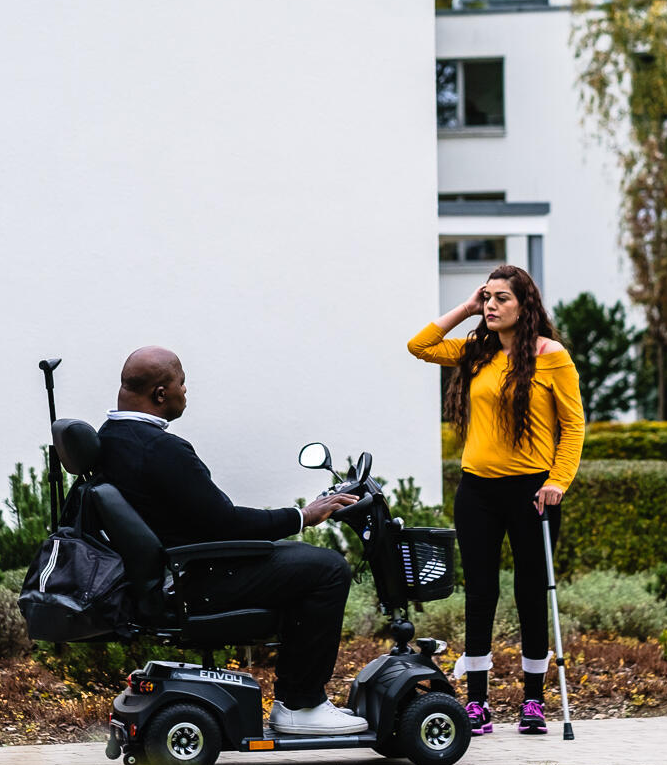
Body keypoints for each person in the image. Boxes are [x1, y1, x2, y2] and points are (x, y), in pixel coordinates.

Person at [94, 346, 366, 735]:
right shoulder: (160, 448)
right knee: (327, 569)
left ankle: (299, 697)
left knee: (297, 561)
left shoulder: (113, 438)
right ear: (160, 393)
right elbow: (225, 523)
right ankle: (302, 705)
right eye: (181, 382)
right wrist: (302, 516)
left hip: (171, 571)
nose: (186, 391)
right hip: (193, 578)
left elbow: (210, 519)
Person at [408, 264, 584, 736]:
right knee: (481, 594)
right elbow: (419, 346)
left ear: (525, 306)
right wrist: (465, 307)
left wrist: (558, 482)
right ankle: (478, 703)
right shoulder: (477, 351)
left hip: (533, 493)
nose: (490, 305)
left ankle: (532, 702)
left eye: (501, 298)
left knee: (530, 594)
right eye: (486, 297)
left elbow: (573, 427)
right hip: (477, 492)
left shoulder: (553, 357)